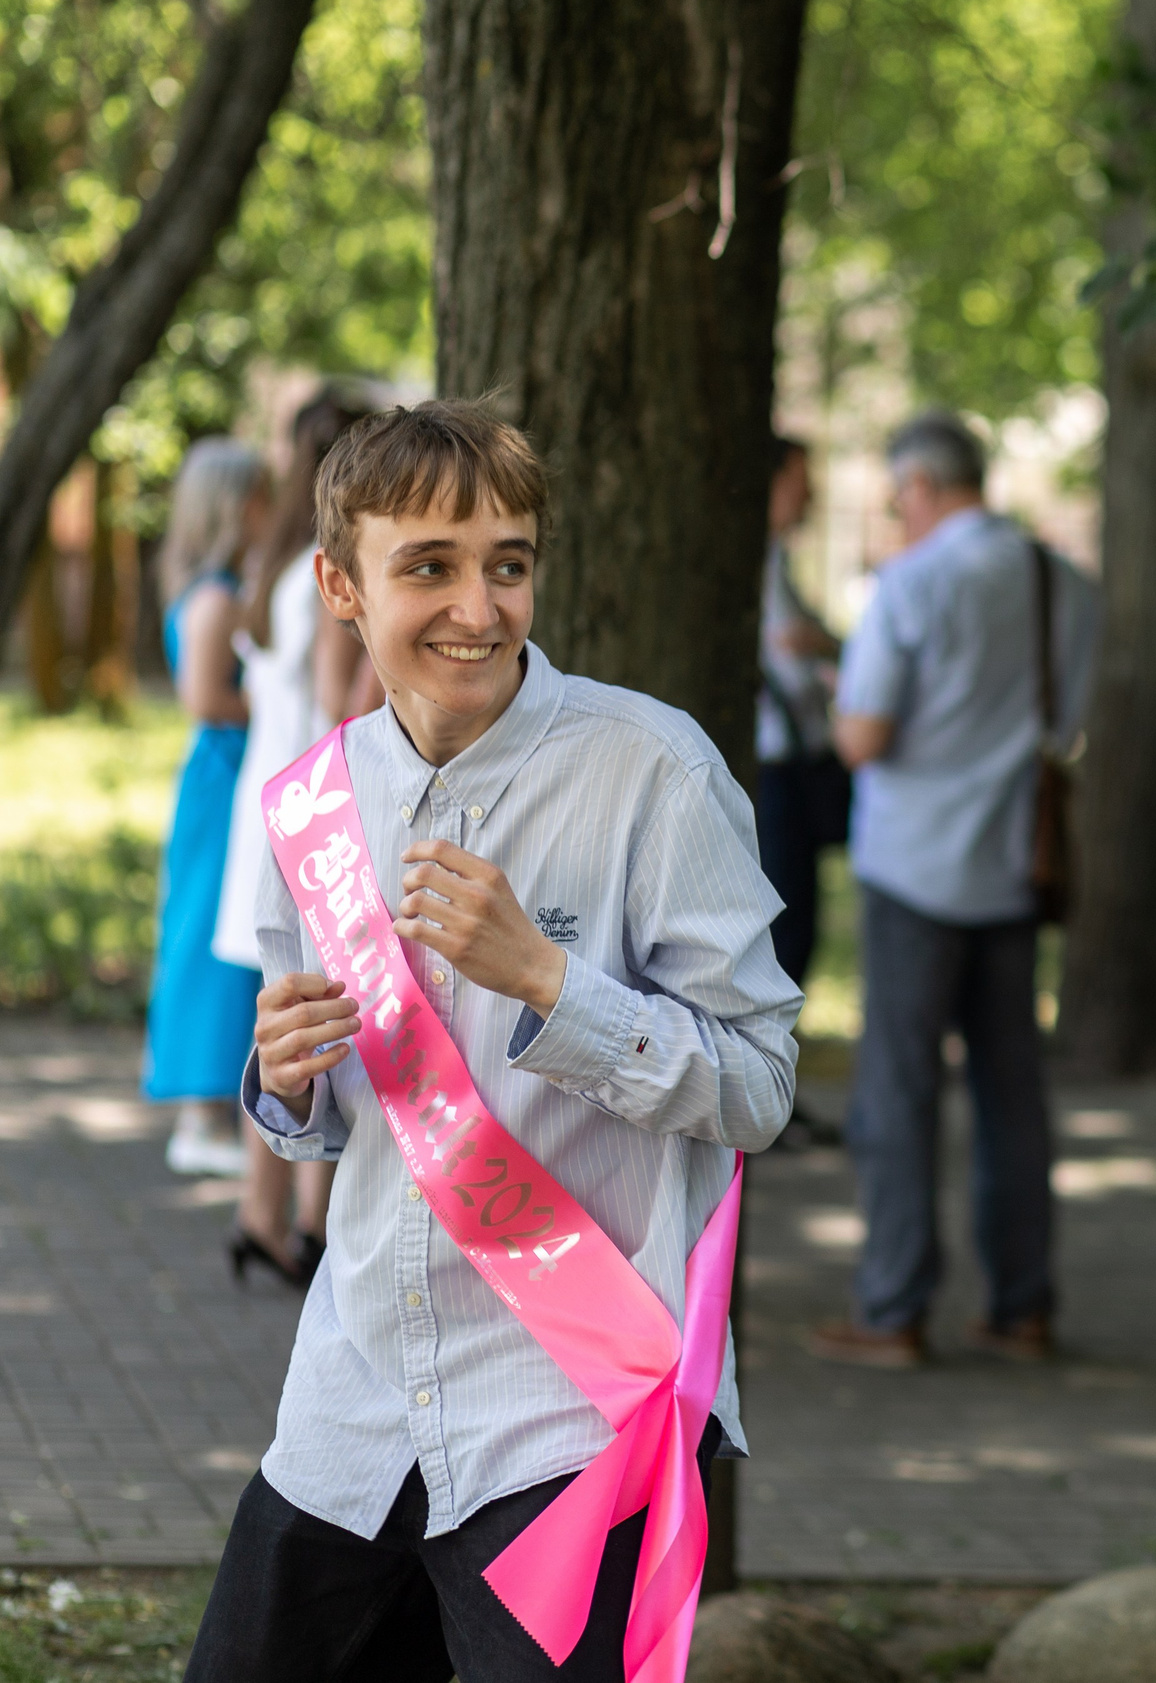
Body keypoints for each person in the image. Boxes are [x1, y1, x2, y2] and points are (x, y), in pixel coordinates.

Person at [184, 399, 798, 1683]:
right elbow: (334, 1116)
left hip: (564, 1417)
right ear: (340, 585)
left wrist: (550, 983)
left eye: (506, 563)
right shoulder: (313, 801)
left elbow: (758, 1089)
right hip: (354, 1396)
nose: (480, 605)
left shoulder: (653, 773)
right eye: (430, 567)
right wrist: (285, 1081)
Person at [806, 410, 1099, 1370]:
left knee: (899, 1089)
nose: (898, 515)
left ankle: (894, 1306)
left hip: (914, 866)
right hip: (1014, 864)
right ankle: (1023, 1301)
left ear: (923, 487)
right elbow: (1070, 713)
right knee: (1013, 1091)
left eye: (897, 498)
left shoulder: (915, 581)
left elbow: (862, 738)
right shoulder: (1063, 583)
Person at [211, 387, 369, 1285]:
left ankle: (257, 1212)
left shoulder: (271, 565)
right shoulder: (334, 572)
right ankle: (312, 1220)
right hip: (317, 810)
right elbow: (341, 701)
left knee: (275, 1015)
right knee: (321, 1012)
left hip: (260, 806)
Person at [145, 440, 269, 1181]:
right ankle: (199, 1112)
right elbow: (205, 698)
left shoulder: (212, 587)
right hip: (224, 774)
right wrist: (282, 701)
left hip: (222, 773)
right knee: (208, 934)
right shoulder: (216, 596)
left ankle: (211, 1106)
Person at [754, 434, 848, 993]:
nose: (810, 496)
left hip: (787, 766)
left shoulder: (776, 562)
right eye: (800, 482)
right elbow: (793, 651)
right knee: (788, 926)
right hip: (777, 768)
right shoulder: (765, 568)